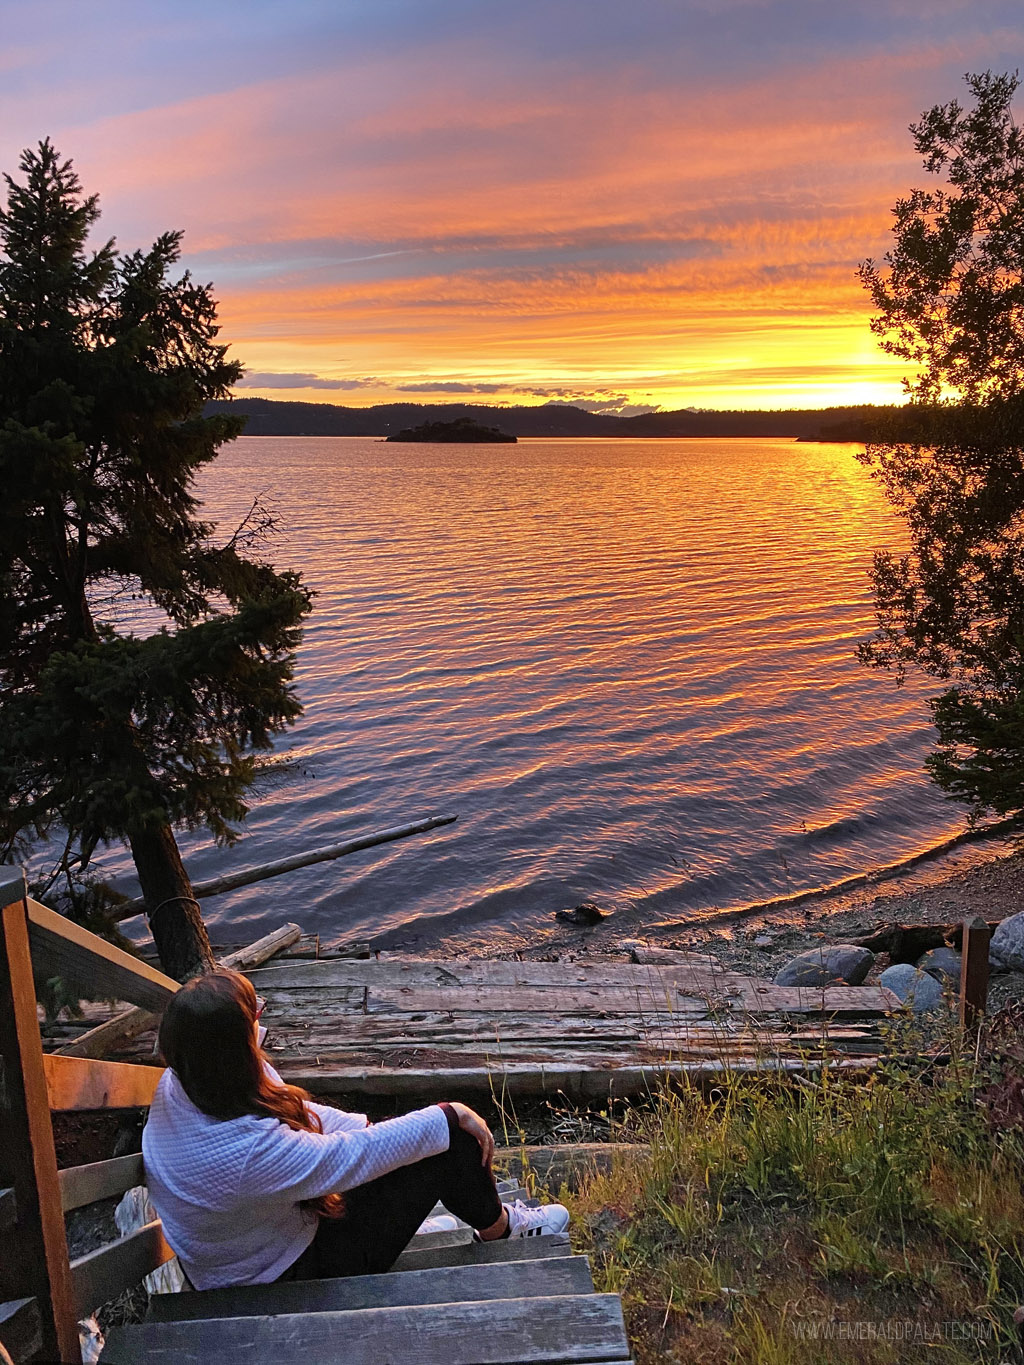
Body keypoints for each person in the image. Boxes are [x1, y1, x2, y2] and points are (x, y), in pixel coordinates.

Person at [141, 968, 569, 1290]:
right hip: (281, 1277)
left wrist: (369, 1125)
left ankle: (487, 1215)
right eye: (255, 1013)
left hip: (250, 1246)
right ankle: (502, 1231)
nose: (260, 1020)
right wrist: (451, 1112)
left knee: (413, 1140)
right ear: (235, 1047)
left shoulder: (187, 1082)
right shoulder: (246, 1152)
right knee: (450, 1141)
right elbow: (348, 1158)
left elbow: (310, 1118)